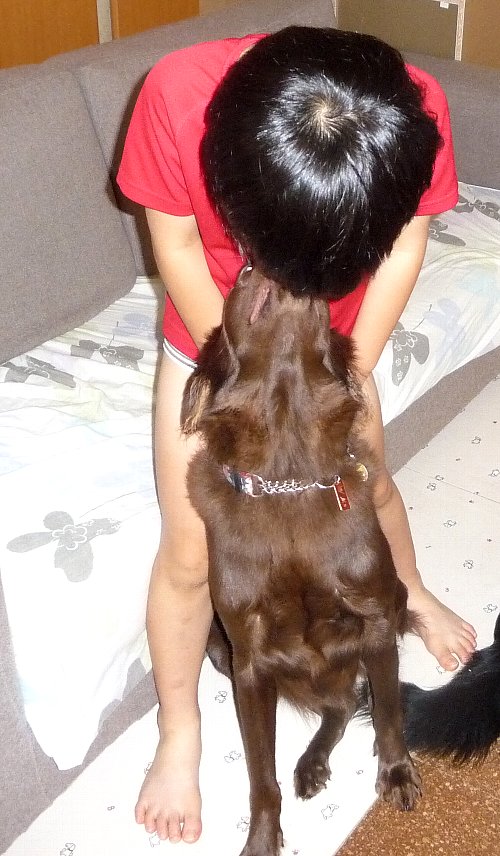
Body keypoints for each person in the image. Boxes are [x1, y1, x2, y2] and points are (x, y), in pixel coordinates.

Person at [117, 26, 477, 844]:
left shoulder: (412, 111)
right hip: (218, 341)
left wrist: (348, 373)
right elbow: (176, 241)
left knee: (371, 488)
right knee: (190, 550)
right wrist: (238, 380)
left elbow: (408, 243)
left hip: (330, 350)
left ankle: (410, 591)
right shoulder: (176, 95)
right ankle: (180, 728)